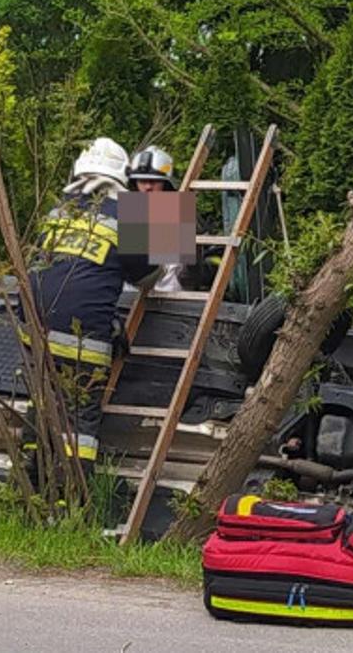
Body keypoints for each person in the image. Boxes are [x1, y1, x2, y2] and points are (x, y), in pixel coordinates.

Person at [23, 138, 155, 478]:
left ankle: (28, 490)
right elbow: (149, 277)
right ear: (122, 176)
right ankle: (72, 497)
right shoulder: (130, 213)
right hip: (82, 336)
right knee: (80, 423)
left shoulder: (58, 210)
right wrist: (166, 226)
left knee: (41, 410)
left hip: (34, 328)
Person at [126, 145, 218, 292]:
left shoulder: (178, 210)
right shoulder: (129, 210)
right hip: (131, 297)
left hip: (172, 297)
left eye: (153, 182)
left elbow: (196, 266)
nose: (148, 187)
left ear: (166, 183)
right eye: (142, 181)